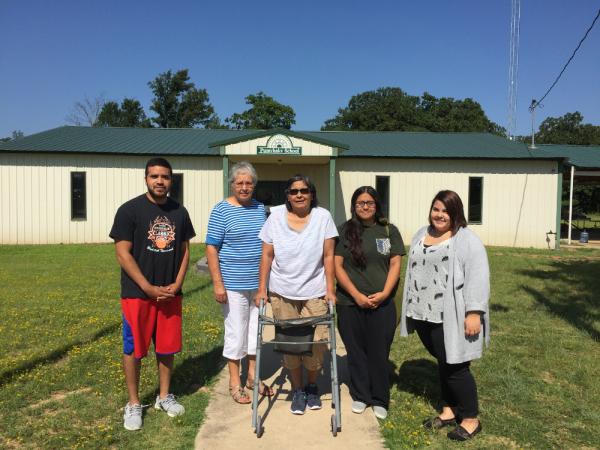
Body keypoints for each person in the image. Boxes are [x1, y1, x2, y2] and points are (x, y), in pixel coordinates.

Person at [110, 157, 196, 431]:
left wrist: (178, 282)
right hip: (138, 294)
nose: (160, 181)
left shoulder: (179, 212)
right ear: (146, 178)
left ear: (172, 180)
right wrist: (147, 287)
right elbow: (122, 253)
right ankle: (134, 403)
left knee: (167, 346)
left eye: (165, 177)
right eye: (154, 176)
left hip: (171, 294)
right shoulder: (129, 210)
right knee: (134, 348)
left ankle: (163, 396)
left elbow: (184, 251)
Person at [400, 190, 490, 441]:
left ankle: (471, 419)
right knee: (444, 361)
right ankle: (449, 410)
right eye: (436, 209)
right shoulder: (421, 233)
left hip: (450, 315)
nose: (440, 215)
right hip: (422, 314)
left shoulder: (466, 240)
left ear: (455, 213)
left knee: (456, 366)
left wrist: (474, 312)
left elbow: (478, 277)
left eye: (446, 211)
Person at [255, 174, 338, 415]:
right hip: (283, 291)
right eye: (293, 191)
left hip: (315, 291)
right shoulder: (275, 216)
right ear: (287, 196)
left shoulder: (323, 217)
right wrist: (262, 289)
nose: (299, 195)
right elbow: (267, 255)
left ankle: (312, 385)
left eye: (304, 190)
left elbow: (329, 256)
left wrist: (330, 290)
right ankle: (298, 388)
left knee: (317, 343)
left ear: (312, 194)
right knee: (290, 345)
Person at [334, 186, 405, 420]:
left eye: (370, 202)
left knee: (378, 351)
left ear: (377, 205)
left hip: (382, 304)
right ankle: (361, 395)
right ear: (354, 206)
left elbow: (395, 264)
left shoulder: (388, 230)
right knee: (355, 351)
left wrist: (385, 294)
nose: (365, 207)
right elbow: (337, 266)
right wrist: (356, 295)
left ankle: (379, 398)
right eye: (360, 203)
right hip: (349, 302)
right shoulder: (345, 230)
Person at [205, 161, 273, 404]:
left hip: (258, 283)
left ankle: (253, 377)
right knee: (236, 331)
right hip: (232, 284)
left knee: (256, 330)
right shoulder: (221, 210)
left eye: (249, 183)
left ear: (254, 185)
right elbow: (212, 247)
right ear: (232, 184)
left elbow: (267, 244)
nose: (244, 187)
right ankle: (235, 382)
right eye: (239, 182)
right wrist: (218, 284)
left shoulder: (260, 208)